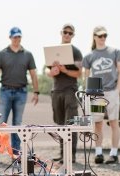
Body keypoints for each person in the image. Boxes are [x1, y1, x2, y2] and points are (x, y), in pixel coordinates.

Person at [0, 27, 39, 156]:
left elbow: (33, 74)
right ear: (10, 37)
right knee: (1, 123)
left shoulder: (27, 54)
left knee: (17, 124)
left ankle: (16, 153)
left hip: (21, 92)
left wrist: (36, 92)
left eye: (19, 37)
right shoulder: (2, 54)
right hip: (5, 92)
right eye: (14, 37)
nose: (17, 39)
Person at [82, 26, 120, 164]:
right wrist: (88, 94)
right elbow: (86, 76)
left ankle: (114, 153)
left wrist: (117, 90)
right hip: (97, 92)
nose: (102, 38)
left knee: (113, 122)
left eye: (105, 35)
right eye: (100, 36)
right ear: (94, 37)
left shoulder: (115, 51)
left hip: (112, 91)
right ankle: (98, 153)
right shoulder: (89, 56)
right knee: (98, 124)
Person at [45, 23, 83, 164]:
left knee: (71, 123)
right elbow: (46, 70)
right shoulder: (53, 51)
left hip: (70, 91)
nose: (67, 35)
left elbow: (79, 73)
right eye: (65, 32)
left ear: (73, 35)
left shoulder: (76, 52)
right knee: (60, 123)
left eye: (70, 33)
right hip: (56, 91)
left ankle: (70, 155)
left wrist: (65, 70)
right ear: (61, 33)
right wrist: (52, 72)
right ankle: (62, 154)